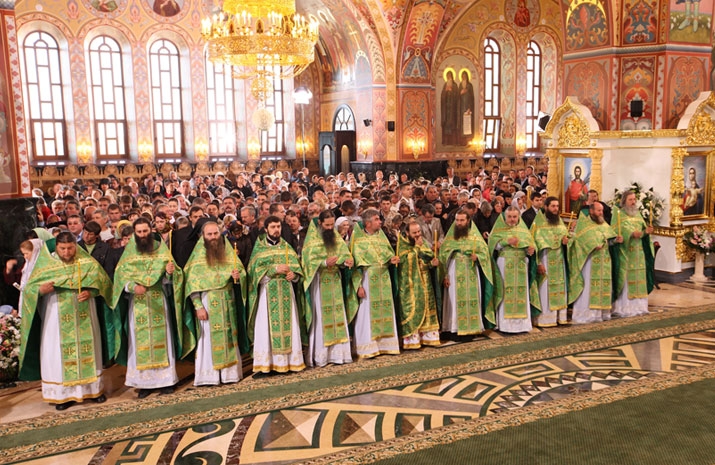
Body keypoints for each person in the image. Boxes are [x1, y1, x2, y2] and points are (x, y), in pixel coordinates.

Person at [18, 232, 114, 410]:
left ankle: (92, 390)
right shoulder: (46, 264)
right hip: (55, 317)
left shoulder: (86, 263)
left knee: (89, 349)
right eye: (63, 249)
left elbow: (104, 285)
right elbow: (29, 290)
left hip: (85, 315)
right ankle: (64, 394)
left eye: (71, 248)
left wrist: (91, 292)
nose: (67, 252)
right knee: (58, 352)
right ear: (57, 247)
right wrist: (41, 290)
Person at [110, 217, 187, 399]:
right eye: (139, 232)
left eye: (146, 231)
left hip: (159, 302)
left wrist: (170, 273)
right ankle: (144, 383)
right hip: (138, 305)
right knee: (139, 343)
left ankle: (166, 381)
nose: (143, 235)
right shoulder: (129, 255)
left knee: (163, 340)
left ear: (150, 231)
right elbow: (120, 279)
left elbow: (172, 280)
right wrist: (132, 287)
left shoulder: (162, 251)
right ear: (134, 234)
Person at [184, 222, 248, 386]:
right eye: (209, 234)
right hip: (208, 303)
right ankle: (209, 376)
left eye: (215, 234)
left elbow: (241, 272)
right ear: (203, 236)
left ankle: (230, 375)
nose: (213, 237)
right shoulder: (198, 257)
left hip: (228, 302)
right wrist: (198, 306)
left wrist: (238, 275)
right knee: (208, 339)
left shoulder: (228, 251)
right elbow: (191, 284)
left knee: (229, 337)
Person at [247, 215, 306, 374]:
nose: (276, 230)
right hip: (267, 294)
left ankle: (290, 363)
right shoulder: (259, 249)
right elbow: (253, 274)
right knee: (266, 328)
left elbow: (298, 270)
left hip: (286, 293)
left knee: (290, 328)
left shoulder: (287, 247)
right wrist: (273, 270)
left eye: (278, 227)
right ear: (265, 229)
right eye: (272, 227)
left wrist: (294, 276)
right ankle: (267, 366)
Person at [301, 211, 355, 367]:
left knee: (338, 316)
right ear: (320, 223)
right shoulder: (312, 240)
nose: (330, 228)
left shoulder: (335, 236)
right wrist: (324, 263)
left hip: (335, 282)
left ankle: (339, 354)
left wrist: (347, 261)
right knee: (321, 319)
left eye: (332, 225)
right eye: (327, 225)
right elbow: (308, 261)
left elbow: (344, 253)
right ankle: (322, 356)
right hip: (319, 283)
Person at [349, 208, 401, 359]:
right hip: (368, 279)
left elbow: (388, 255)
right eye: (377, 219)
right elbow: (356, 267)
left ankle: (386, 345)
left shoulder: (381, 236)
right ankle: (367, 347)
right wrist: (358, 285)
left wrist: (393, 260)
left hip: (384, 278)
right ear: (368, 223)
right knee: (367, 313)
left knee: (386, 310)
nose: (380, 222)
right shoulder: (357, 239)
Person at [439, 209, 495, 338]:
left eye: (462, 220)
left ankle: (472, 328)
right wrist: (445, 275)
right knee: (453, 300)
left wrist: (478, 257)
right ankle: (453, 328)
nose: (459, 223)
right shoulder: (451, 236)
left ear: (468, 221)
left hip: (471, 272)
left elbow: (485, 253)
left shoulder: (475, 236)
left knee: (472, 300)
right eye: (457, 220)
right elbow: (443, 255)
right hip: (453, 270)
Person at [487, 206, 537, 333]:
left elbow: (529, 245)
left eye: (515, 217)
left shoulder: (523, 230)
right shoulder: (499, 228)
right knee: (505, 292)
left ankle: (522, 325)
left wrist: (530, 250)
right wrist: (505, 242)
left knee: (522, 292)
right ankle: (505, 325)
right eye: (509, 217)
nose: (512, 219)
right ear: (505, 216)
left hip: (521, 263)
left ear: (518, 216)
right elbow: (492, 245)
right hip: (504, 263)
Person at [568, 202, 618, 324]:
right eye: (598, 211)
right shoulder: (583, 224)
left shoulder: (603, 223)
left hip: (604, 260)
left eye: (601, 211)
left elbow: (609, 239)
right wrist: (591, 246)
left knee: (603, 286)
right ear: (591, 211)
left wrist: (615, 240)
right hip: (589, 261)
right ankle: (586, 314)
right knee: (589, 287)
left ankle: (599, 314)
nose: (601, 213)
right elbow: (578, 241)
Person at [396, 221, 441, 349]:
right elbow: (405, 262)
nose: (417, 235)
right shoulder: (402, 244)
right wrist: (416, 248)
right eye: (414, 232)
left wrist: (432, 264)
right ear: (407, 233)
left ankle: (428, 337)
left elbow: (426, 258)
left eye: (419, 232)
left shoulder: (423, 242)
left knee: (427, 307)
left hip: (425, 281)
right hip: (411, 285)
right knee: (414, 308)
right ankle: (413, 340)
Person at [611, 191, 655, 318]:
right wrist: (630, 233)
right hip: (626, 253)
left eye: (634, 199)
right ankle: (625, 308)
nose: (633, 202)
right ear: (624, 201)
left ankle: (640, 307)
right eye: (630, 199)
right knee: (627, 280)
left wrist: (647, 231)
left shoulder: (638, 215)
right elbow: (615, 231)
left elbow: (643, 231)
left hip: (639, 253)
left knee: (639, 279)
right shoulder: (618, 214)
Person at [531, 197, 569, 327]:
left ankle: (559, 317)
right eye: (553, 206)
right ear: (546, 207)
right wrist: (538, 263)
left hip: (559, 260)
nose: (555, 209)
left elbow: (567, 237)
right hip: (545, 259)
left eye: (557, 206)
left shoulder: (559, 222)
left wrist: (566, 241)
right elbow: (533, 243)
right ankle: (545, 319)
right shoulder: (538, 223)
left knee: (560, 287)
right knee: (545, 289)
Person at [441, 70, 459, 145]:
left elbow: (457, 96)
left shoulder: (455, 85)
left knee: (453, 125)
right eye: (447, 76)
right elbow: (442, 96)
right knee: (446, 126)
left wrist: (452, 92)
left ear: (452, 76)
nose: (449, 77)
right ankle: (446, 142)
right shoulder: (445, 85)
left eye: (450, 76)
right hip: (446, 110)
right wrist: (445, 91)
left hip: (453, 110)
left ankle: (453, 142)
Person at [457, 70, 475, 145]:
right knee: (462, 124)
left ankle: (468, 142)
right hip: (461, 109)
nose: (464, 77)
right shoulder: (460, 85)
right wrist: (460, 93)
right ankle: (462, 141)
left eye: (465, 76)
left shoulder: (470, 85)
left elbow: (472, 97)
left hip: (468, 108)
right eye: (463, 76)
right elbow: (457, 97)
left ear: (467, 77)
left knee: (468, 124)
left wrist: (470, 107)